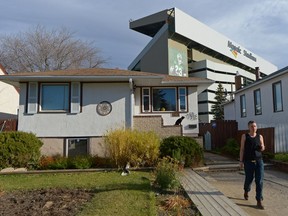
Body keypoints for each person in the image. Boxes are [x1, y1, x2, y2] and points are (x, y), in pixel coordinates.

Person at [239, 120, 265, 209]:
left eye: (255, 126)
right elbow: (242, 149)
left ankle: (259, 200)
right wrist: (241, 161)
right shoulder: (245, 136)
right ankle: (246, 190)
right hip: (248, 162)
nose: (254, 128)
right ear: (248, 127)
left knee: (259, 181)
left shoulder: (260, 136)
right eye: (252, 126)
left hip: (259, 161)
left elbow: (263, 147)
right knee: (249, 179)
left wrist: (261, 148)